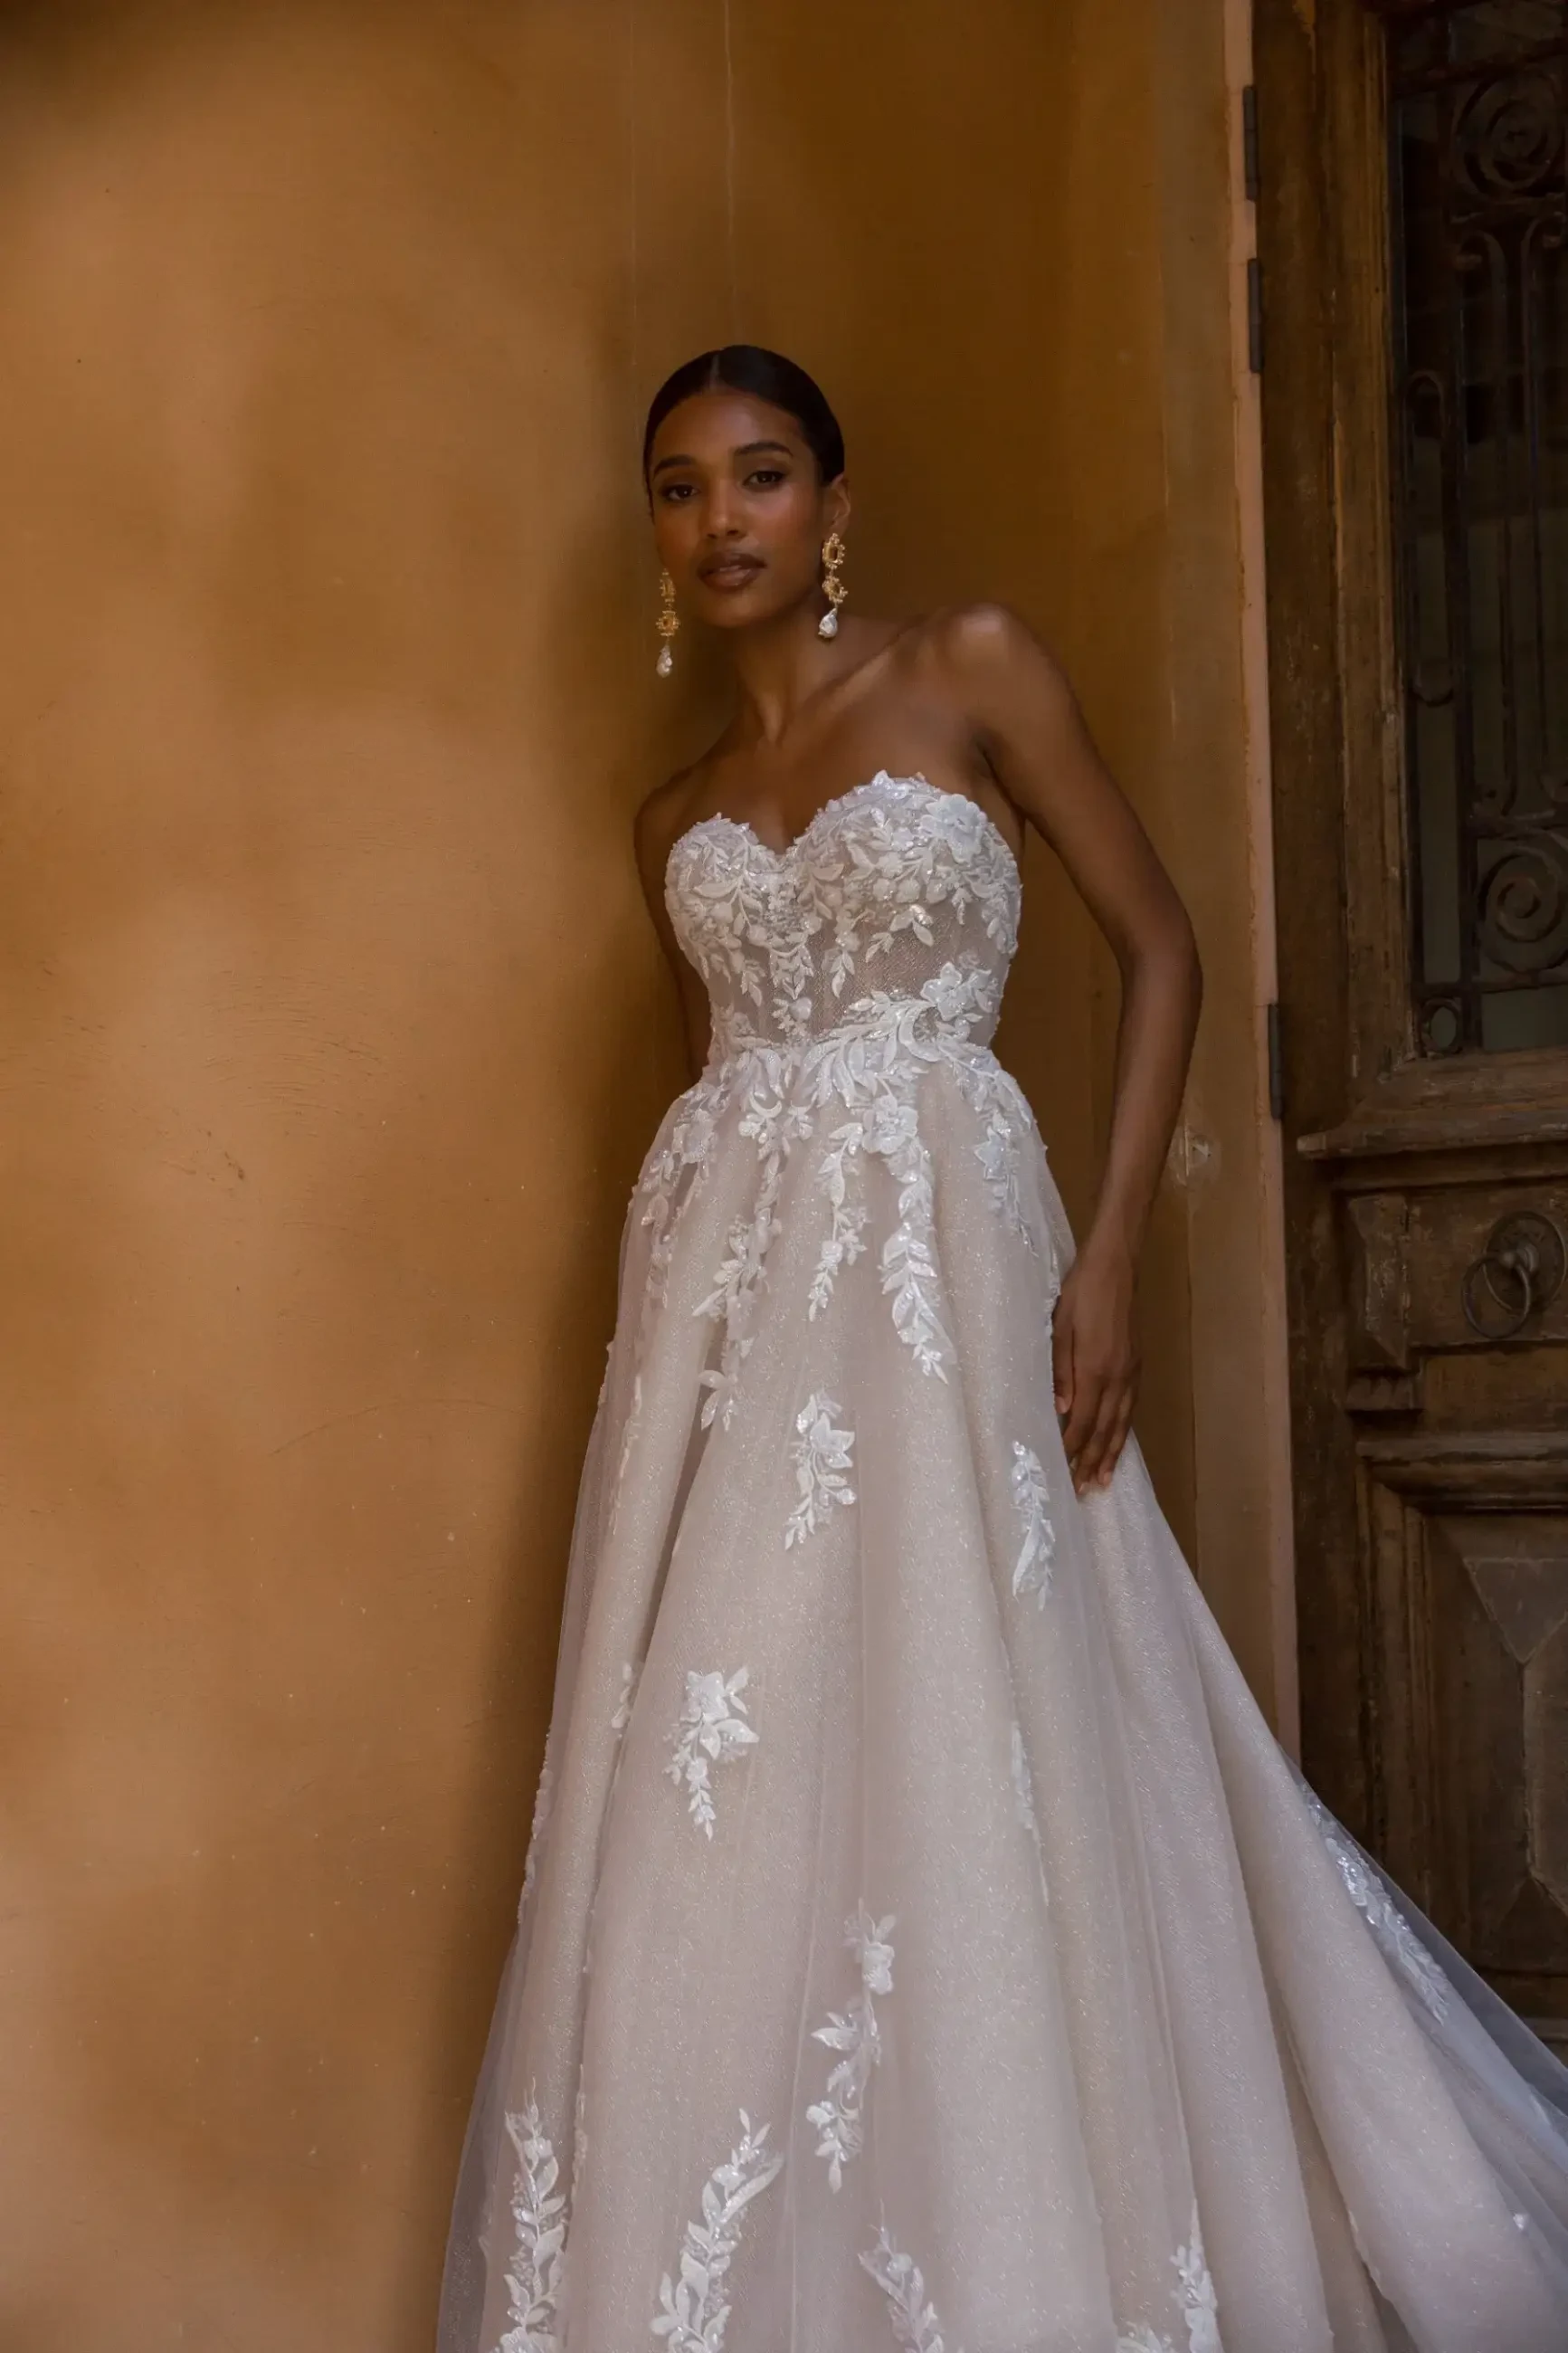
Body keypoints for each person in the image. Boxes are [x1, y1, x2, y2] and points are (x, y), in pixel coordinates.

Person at [437, 347, 1568, 2353]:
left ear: (829, 500)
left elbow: (1162, 948)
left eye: (761, 477)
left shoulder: (967, 665)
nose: (721, 523)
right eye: (682, 490)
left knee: (996, 1711)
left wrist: (1110, 1255)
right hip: (724, 1316)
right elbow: (728, 1091)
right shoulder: (671, 819)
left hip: (952, 1271)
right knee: (731, 1768)